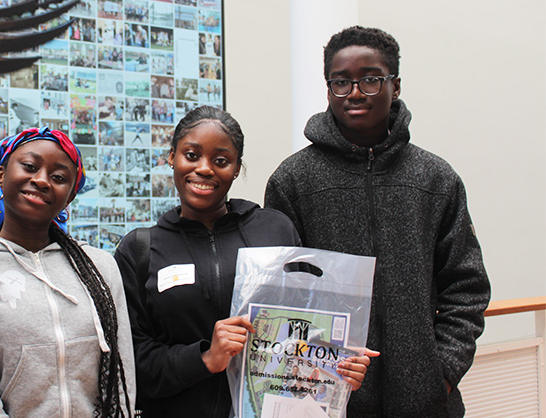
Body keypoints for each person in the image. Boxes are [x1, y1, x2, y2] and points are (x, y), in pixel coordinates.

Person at [265, 26, 490, 418]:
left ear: (395, 85)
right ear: (328, 87)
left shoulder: (435, 179)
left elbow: (466, 287)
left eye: (370, 79)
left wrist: (442, 374)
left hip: (427, 403)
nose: (354, 92)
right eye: (341, 82)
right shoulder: (293, 181)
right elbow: (283, 297)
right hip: (328, 402)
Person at [114, 106, 374, 417]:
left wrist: (339, 366)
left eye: (221, 160)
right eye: (192, 155)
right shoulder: (140, 249)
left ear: (237, 168)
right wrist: (206, 358)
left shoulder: (274, 229)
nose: (205, 169)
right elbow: (132, 363)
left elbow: (303, 327)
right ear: (172, 157)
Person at [0, 127, 136, 417]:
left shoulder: (101, 268)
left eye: (58, 178)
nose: (42, 180)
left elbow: (122, 374)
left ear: (68, 198)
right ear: (1, 175)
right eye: (29, 167)